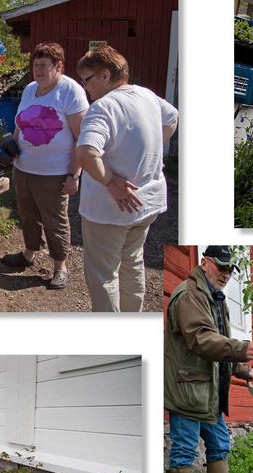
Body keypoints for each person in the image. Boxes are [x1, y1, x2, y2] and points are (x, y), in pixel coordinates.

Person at [164, 246, 253, 473]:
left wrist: (241, 369)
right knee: (185, 451)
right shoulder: (188, 295)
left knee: (220, 443)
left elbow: (218, 339)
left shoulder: (216, 299)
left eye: (230, 270)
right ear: (204, 263)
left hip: (208, 392)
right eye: (221, 267)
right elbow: (201, 339)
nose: (226, 274)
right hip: (188, 389)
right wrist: (240, 348)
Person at [76, 45, 178, 312]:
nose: (85, 88)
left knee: (104, 275)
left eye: (87, 80)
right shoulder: (146, 96)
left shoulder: (102, 108)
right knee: (132, 262)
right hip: (146, 203)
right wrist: (152, 150)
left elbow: (86, 154)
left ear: (105, 75)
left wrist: (110, 182)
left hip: (110, 211)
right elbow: (172, 118)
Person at [3, 43, 89, 290]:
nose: (37, 70)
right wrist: (12, 149)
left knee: (54, 219)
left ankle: (60, 266)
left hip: (54, 172)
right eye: (35, 65)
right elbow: (20, 124)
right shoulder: (30, 89)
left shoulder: (70, 91)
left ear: (59, 66)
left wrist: (75, 174)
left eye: (43, 65)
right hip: (24, 167)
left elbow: (81, 137)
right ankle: (29, 253)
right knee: (27, 214)